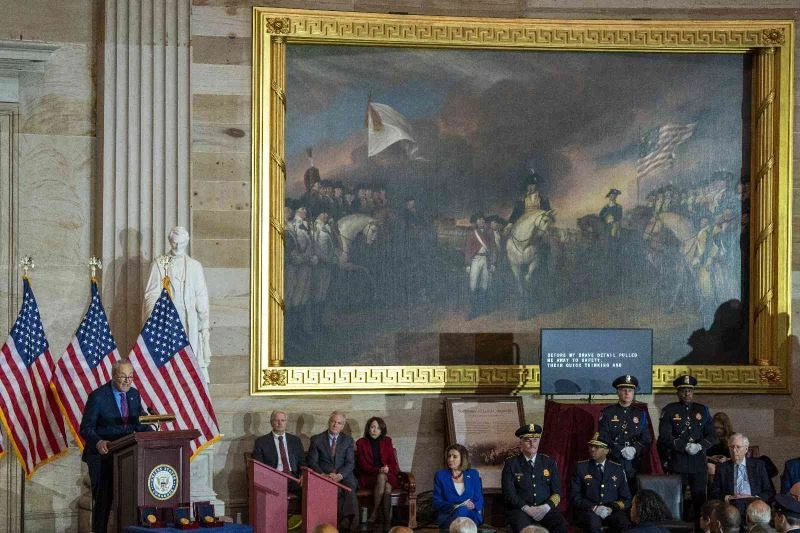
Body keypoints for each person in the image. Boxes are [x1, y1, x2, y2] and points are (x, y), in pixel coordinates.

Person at [79, 358, 153, 533]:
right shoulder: (98, 396)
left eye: (130, 376)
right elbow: (85, 427)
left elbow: (138, 423)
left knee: (128, 500)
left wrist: (153, 428)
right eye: (123, 377)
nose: (127, 381)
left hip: (127, 456)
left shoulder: (134, 395)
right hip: (102, 457)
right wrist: (98, 441)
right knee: (103, 502)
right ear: (113, 376)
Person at [144, 226, 212, 382]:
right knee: (168, 366)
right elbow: (150, 294)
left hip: (189, 321)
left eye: (181, 244)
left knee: (190, 363)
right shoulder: (159, 264)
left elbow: (202, 298)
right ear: (170, 241)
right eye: (175, 243)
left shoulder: (195, 266)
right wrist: (158, 314)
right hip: (166, 320)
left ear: (187, 242)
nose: (177, 247)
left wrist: (204, 327)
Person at [658, 374, 717, 520]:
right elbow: (665, 436)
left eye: (689, 390)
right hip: (678, 462)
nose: (686, 393)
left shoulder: (702, 410)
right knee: (675, 500)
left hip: (698, 463)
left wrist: (699, 446)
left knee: (700, 500)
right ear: (678, 392)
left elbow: (712, 436)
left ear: (693, 391)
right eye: (683, 390)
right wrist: (684, 446)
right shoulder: (670, 410)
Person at [502, 424, 568, 533]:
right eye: (528, 440)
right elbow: (509, 494)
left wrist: (546, 507)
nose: (532, 443)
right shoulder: (511, 464)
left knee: (561, 525)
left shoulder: (549, 462)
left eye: (535, 440)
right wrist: (527, 508)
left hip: (545, 509)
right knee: (522, 528)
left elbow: (557, 492)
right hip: (521, 510)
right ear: (521, 442)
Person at [308, 411, 359, 533]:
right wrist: (323, 475)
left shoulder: (348, 440)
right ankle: (338, 524)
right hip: (324, 476)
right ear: (329, 422)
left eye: (339, 423)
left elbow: (350, 463)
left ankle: (350, 524)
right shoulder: (316, 440)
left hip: (344, 476)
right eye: (333, 421)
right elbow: (313, 462)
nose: (335, 425)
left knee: (349, 491)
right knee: (335, 491)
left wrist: (339, 476)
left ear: (342, 426)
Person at [570, 433, 631, 533]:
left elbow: (626, 498)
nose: (592, 449)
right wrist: (594, 507)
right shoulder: (581, 467)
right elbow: (575, 496)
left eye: (597, 447)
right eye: (591, 446)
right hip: (589, 511)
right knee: (593, 524)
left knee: (623, 522)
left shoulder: (617, 468)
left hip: (611, 510)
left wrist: (611, 507)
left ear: (606, 450)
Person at [598, 374, 651, 489]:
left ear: (634, 393)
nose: (627, 393)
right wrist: (619, 449)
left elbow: (646, 438)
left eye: (630, 390)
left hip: (634, 461)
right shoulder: (608, 413)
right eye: (624, 390)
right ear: (617, 392)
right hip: (614, 459)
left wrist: (635, 449)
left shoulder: (640, 414)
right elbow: (603, 436)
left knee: (632, 492)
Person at [710, 433, 774, 518]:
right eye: (731, 447)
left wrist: (753, 498)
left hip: (754, 504)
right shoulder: (722, 468)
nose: (734, 450)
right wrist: (729, 498)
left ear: (746, 449)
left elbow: (769, 491)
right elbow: (715, 491)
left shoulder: (758, 465)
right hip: (732, 506)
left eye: (738, 447)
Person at [356, 416, 400, 530]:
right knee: (385, 485)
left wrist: (387, 468)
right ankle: (386, 522)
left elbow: (392, 463)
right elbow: (363, 466)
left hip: (388, 475)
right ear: (368, 428)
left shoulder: (387, 441)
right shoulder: (361, 443)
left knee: (385, 483)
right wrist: (379, 470)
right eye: (372, 427)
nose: (374, 430)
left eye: (378, 428)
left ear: (382, 430)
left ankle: (376, 513)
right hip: (369, 476)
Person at [252, 410, 306, 495]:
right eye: (277, 420)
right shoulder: (261, 442)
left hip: (293, 479)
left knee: (310, 490)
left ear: (286, 423)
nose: (280, 423)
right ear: (271, 422)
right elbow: (259, 466)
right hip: (274, 479)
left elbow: (303, 462)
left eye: (282, 420)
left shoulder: (295, 440)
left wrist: (303, 476)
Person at [433, 444, 484, 529]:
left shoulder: (473, 474)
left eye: (454, 456)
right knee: (462, 510)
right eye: (449, 456)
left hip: (471, 515)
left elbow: (479, 499)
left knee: (464, 511)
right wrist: (455, 506)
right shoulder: (440, 475)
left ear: (462, 459)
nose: (450, 459)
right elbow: (437, 502)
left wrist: (473, 505)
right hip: (448, 516)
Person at [464, 212, 495, 320]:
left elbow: (492, 249)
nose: (481, 221)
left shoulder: (489, 233)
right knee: (473, 285)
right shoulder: (472, 233)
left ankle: (484, 308)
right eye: (479, 219)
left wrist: (493, 263)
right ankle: (472, 311)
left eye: (482, 219)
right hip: (475, 260)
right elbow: (468, 249)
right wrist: (468, 264)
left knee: (485, 285)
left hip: (486, 260)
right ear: (476, 222)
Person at [708, 412, 734, 478]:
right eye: (716, 428)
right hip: (711, 464)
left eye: (721, 428)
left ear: (726, 427)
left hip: (728, 463)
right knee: (710, 467)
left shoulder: (733, 437)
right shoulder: (707, 437)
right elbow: (701, 455)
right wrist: (711, 458)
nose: (718, 430)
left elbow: (739, 457)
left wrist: (727, 459)